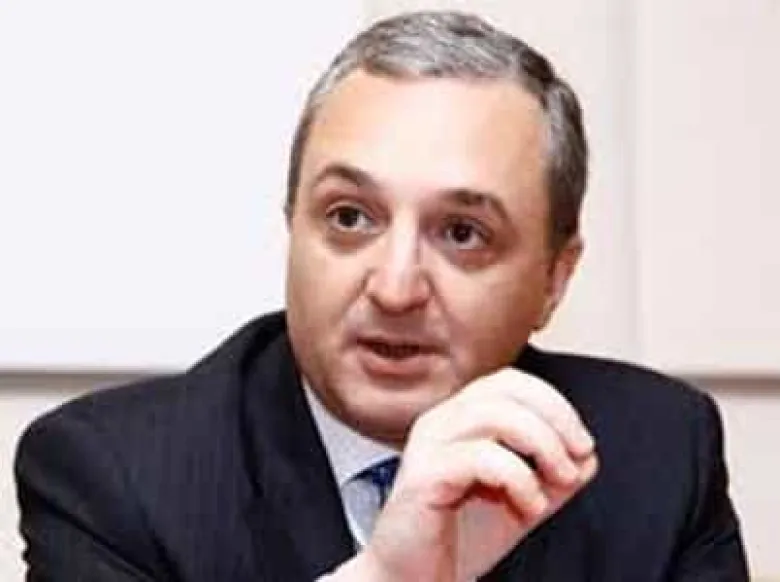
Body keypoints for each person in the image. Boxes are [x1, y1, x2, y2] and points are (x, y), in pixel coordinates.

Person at [15, 10, 748, 581]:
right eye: (349, 218)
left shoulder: (655, 455)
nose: (395, 289)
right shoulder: (116, 479)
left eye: (462, 233)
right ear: (292, 228)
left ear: (555, 279)